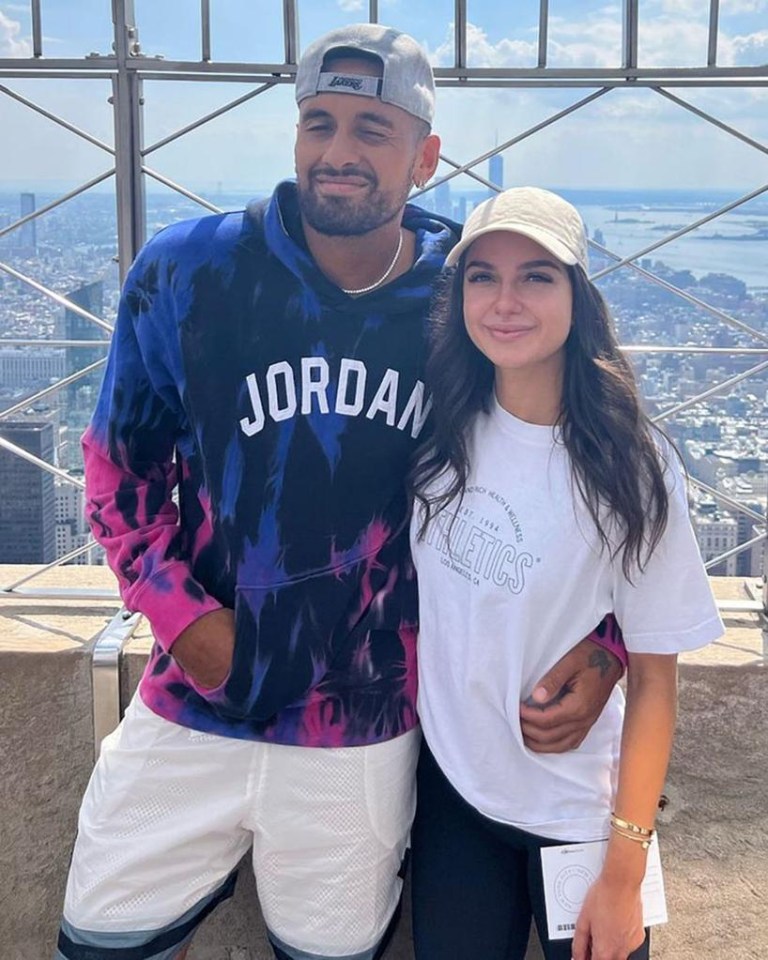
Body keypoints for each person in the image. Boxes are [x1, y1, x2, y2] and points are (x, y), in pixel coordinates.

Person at [56, 26, 625, 960]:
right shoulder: (191, 271)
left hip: (365, 719)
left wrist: (607, 647)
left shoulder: (470, 295)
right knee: (98, 936)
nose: (338, 152)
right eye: (319, 122)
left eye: (372, 128)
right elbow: (119, 469)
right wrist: (180, 619)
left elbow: (588, 473)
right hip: (192, 699)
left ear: (424, 155)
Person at [408, 186, 725, 960]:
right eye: (482, 277)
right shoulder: (440, 422)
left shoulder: (630, 465)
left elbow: (657, 680)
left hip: (578, 815)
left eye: (537, 276)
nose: (505, 301)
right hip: (452, 791)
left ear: (579, 297)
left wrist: (623, 873)